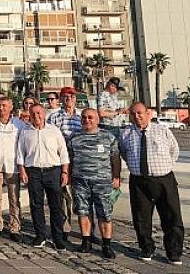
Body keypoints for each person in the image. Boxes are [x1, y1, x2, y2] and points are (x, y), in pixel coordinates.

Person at [120, 102, 183, 264]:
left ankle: (174, 252)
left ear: (148, 113)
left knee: (171, 216)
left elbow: (174, 150)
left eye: (140, 113)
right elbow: (124, 153)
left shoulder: (162, 130)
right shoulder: (126, 133)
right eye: (133, 114)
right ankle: (146, 248)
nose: (137, 116)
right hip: (139, 181)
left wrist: (164, 166)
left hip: (163, 180)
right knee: (141, 217)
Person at [17, 105, 70, 250]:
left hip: (53, 171)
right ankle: (40, 236)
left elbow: (63, 153)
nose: (36, 116)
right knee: (36, 205)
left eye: (39, 113)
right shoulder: (25, 132)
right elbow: (20, 154)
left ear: (44, 113)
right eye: (33, 113)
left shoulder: (54, 131)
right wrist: (22, 171)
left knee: (56, 206)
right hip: (33, 172)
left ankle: (58, 237)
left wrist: (65, 172)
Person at [68, 108, 120, 258]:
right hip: (80, 181)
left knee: (105, 213)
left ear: (97, 119)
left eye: (90, 117)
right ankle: (86, 241)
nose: (87, 120)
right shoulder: (74, 137)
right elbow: (70, 159)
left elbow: (115, 158)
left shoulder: (108, 137)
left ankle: (106, 244)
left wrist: (116, 177)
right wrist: (69, 176)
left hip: (102, 182)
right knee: (83, 211)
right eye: (84, 117)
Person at [47, 87, 83, 243]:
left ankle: (87, 231)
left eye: (71, 96)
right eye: (66, 96)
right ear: (61, 99)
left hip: (79, 160)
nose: (69, 99)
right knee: (63, 195)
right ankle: (65, 227)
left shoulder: (82, 116)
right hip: (62, 159)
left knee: (81, 195)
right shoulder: (54, 117)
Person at [0, 97, 26, 242]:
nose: (1, 108)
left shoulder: (19, 124)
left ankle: (14, 227)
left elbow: (22, 146)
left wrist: (21, 166)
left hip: (13, 165)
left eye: (4, 105)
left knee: (14, 198)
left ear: (11, 107)